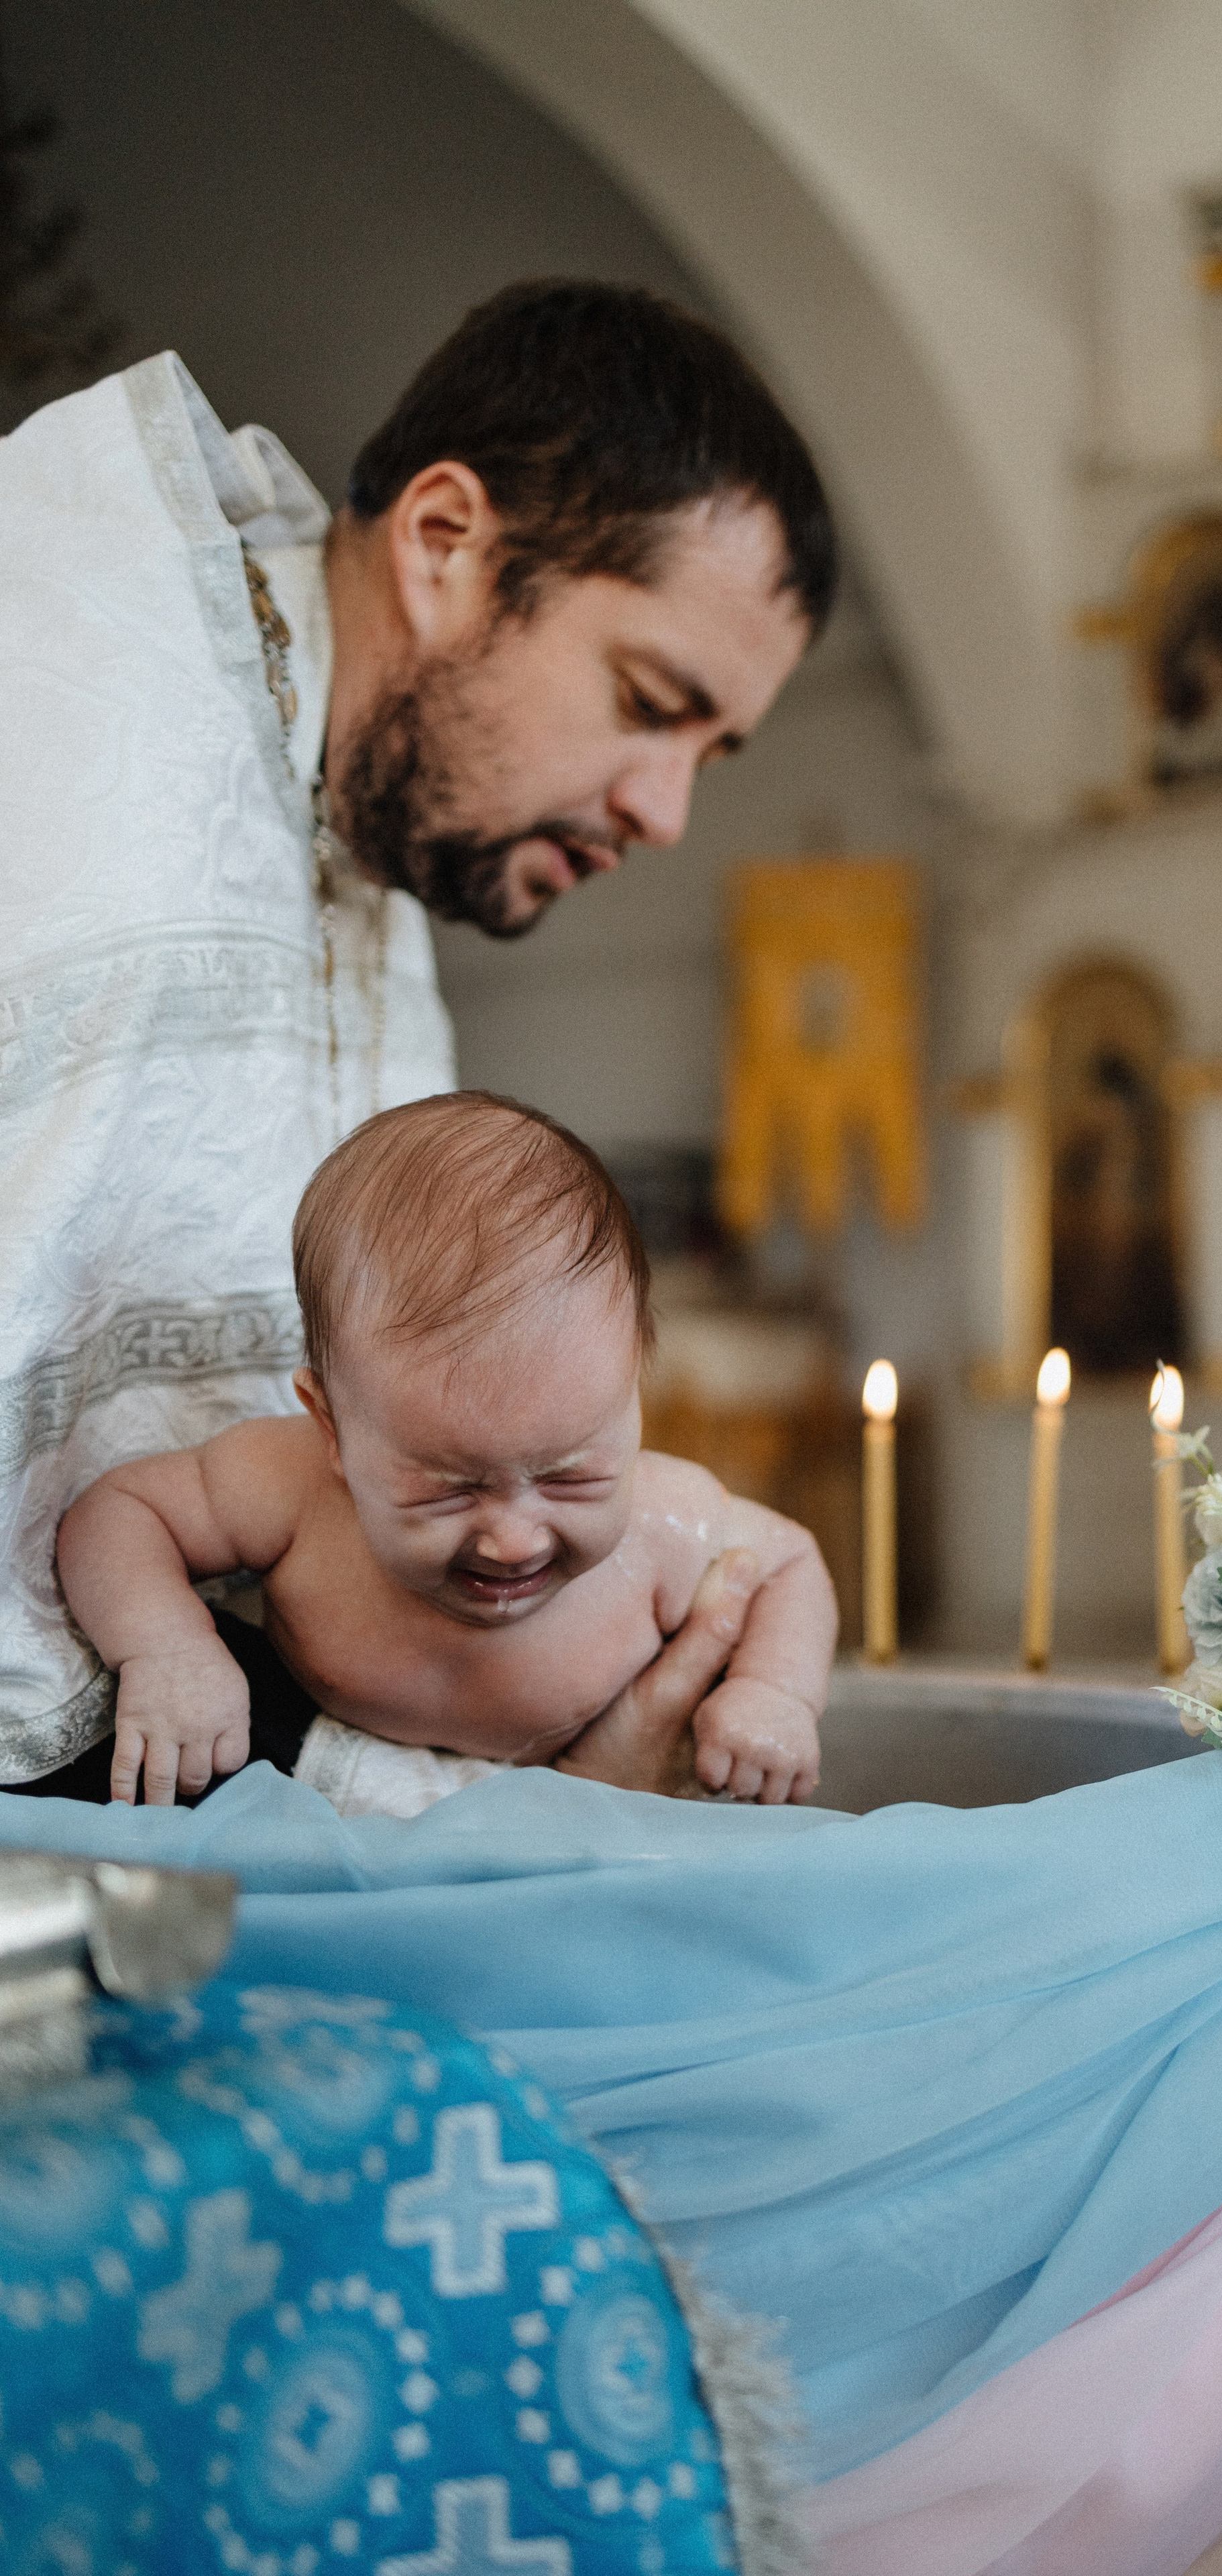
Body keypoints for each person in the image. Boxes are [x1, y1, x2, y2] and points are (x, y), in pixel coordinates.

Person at [0, 280, 834, 1794]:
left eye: (708, 751)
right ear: (445, 545)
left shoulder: (344, 842)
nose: (664, 812)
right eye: (650, 702)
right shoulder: (66, 729)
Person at [57, 1092, 834, 1810]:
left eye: (570, 1477)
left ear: (631, 1399)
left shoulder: (667, 1523)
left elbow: (790, 1563)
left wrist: (775, 1692)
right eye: (450, 1489)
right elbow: (120, 1513)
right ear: (331, 1428)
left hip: (602, 1813)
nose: (514, 1537)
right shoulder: (290, 1489)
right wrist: (167, 1648)